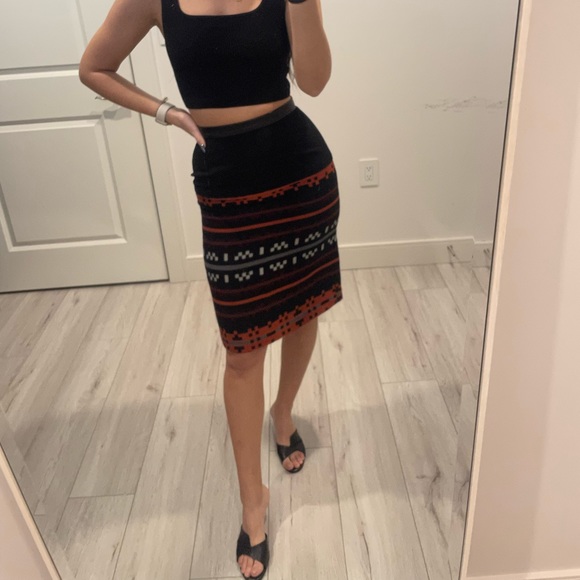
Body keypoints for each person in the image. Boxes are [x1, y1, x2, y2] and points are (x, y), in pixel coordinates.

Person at [79, 0, 342, 577]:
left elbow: (315, 82)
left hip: (299, 171)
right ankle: (254, 502)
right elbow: (93, 68)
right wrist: (167, 112)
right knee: (242, 350)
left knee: (303, 311)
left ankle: (283, 413)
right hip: (225, 183)